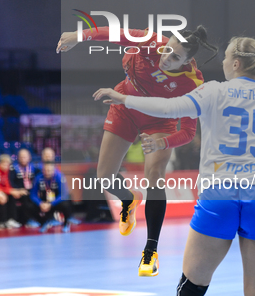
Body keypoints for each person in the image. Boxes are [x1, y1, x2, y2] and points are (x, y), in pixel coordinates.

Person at [93, 36, 255, 295]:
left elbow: (168, 108)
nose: (222, 63)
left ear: (236, 64)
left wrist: (124, 99)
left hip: (219, 197)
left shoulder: (214, 91)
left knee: (192, 287)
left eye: (226, 57)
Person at [57, 24, 218, 276]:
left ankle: (150, 251)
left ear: (188, 62)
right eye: (167, 50)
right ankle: (128, 198)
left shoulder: (193, 83)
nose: (166, 58)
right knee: (105, 178)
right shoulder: (152, 41)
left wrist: (162, 142)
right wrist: (79, 36)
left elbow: (187, 132)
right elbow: (115, 33)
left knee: (154, 176)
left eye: (175, 58)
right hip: (123, 106)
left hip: (158, 121)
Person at [31, 161, 73, 233]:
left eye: (49, 170)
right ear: (42, 170)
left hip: (57, 201)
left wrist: (51, 204)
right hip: (44, 201)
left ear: (54, 170)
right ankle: (44, 222)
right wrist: (40, 203)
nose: (47, 172)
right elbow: (33, 194)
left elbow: (63, 194)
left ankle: (66, 223)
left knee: (66, 203)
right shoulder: (38, 178)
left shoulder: (59, 177)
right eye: (45, 170)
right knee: (30, 205)